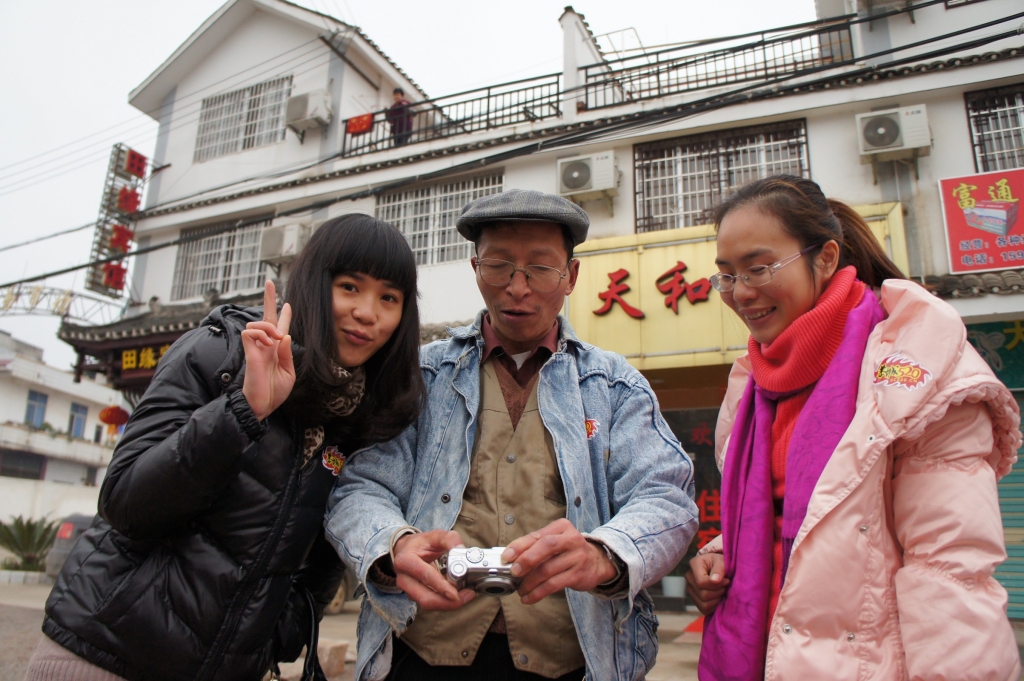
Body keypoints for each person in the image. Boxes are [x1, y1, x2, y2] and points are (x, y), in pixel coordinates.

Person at [27, 215, 425, 681]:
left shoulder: (355, 417)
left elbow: (322, 558)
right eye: (350, 287)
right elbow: (125, 501)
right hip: (105, 656)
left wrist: (278, 636)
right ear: (316, 286)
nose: (367, 313)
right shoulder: (219, 355)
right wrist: (242, 411)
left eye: (389, 298)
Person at [324, 189, 697, 681]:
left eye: (541, 268)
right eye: (500, 265)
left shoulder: (614, 386)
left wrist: (605, 553)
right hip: (421, 654)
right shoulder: (421, 374)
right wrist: (392, 544)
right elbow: (361, 486)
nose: (518, 288)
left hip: (570, 660)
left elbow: (666, 495)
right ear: (475, 267)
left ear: (571, 277)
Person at [685, 175, 1021, 680]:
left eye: (759, 268)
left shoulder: (916, 374)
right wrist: (722, 553)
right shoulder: (753, 386)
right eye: (727, 275)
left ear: (824, 258)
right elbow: (796, 524)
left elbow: (949, 573)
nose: (741, 293)